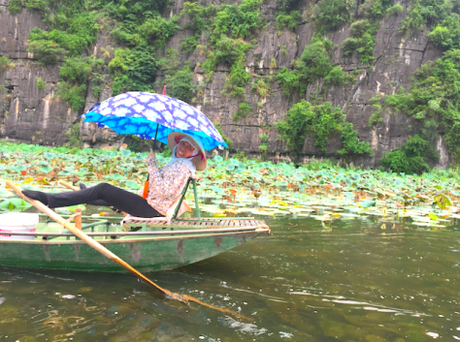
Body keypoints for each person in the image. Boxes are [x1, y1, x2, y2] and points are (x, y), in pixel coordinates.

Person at [22, 132, 207, 218]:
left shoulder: (182, 167)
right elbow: (162, 186)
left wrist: (152, 165)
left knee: (104, 188)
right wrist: (155, 167)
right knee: (112, 195)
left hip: (153, 211)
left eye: (188, 148)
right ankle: (91, 198)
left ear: (193, 153)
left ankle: (49, 199)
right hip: (152, 206)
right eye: (182, 144)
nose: (182, 149)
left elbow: (165, 191)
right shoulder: (179, 164)